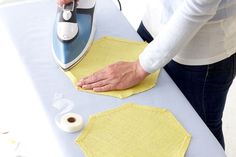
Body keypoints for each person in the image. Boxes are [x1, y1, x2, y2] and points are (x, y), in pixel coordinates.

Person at [58, 0, 236, 149]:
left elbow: (197, 6)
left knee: (202, 136)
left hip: (201, 57)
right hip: (154, 25)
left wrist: (139, 67)